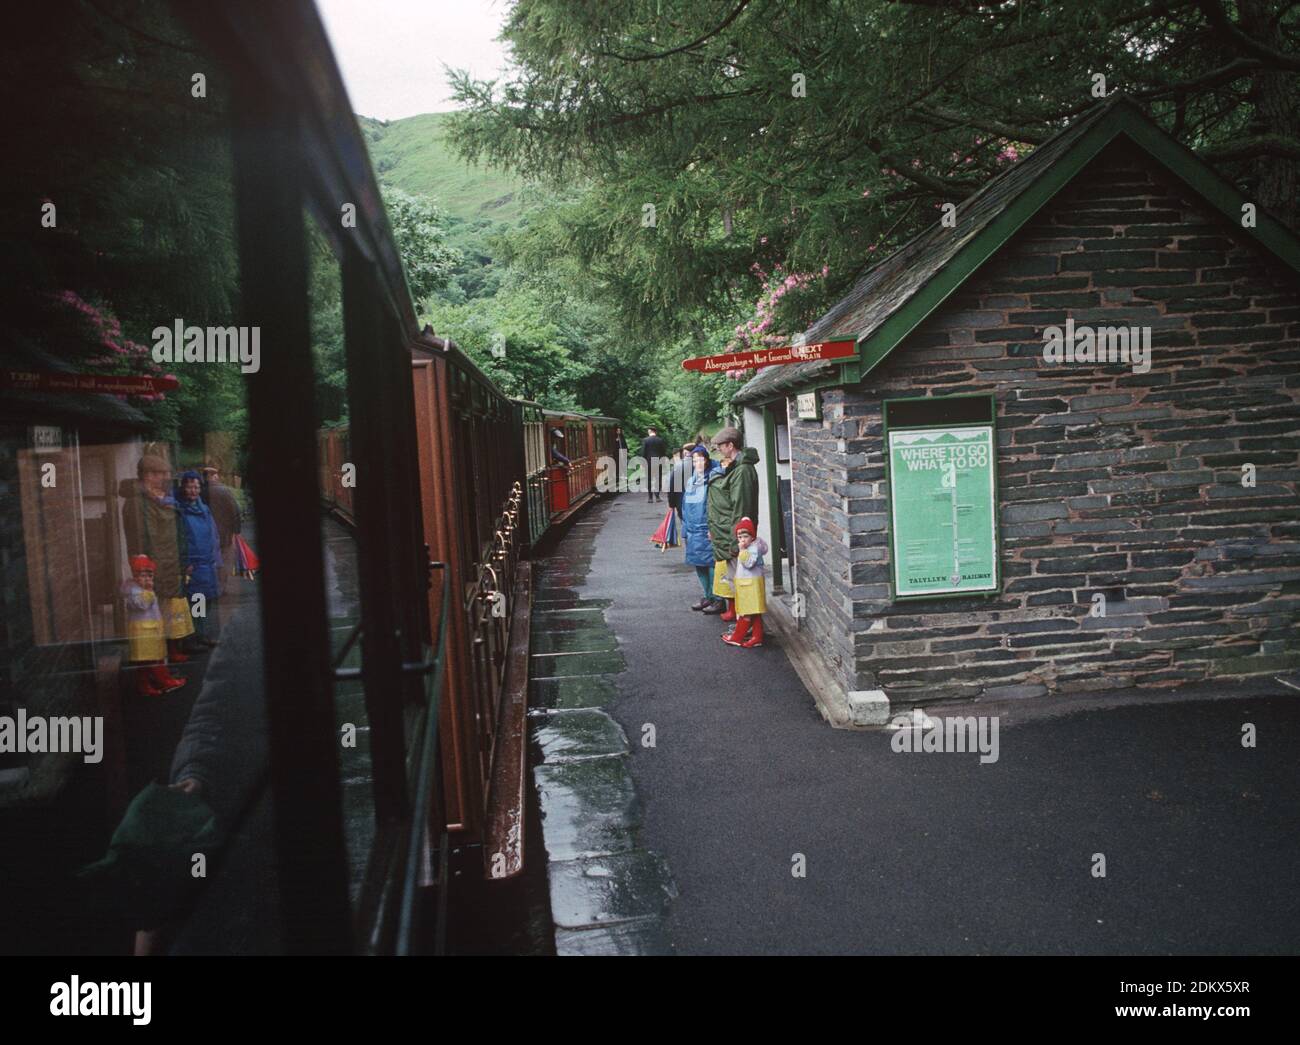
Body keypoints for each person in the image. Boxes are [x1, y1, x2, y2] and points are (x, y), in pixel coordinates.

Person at [121, 453, 196, 661]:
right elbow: (138, 541)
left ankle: (169, 654)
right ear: (147, 475)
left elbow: (177, 533)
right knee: (151, 616)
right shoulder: (137, 503)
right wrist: (143, 570)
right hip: (154, 567)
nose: (165, 478)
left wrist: (184, 560)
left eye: (166, 473)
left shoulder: (165, 499)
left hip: (171, 563)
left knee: (170, 611)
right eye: (161, 474)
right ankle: (156, 664)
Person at [704, 426, 760, 624]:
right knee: (735, 581)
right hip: (727, 534)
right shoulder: (736, 467)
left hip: (735, 538)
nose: (718, 449)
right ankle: (742, 625)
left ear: (730, 445)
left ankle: (748, 627)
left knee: (742, 584)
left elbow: (742, 509)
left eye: (721, 446)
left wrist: (737, 542)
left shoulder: (742, 470)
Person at [121, 555, 187, 696]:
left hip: (148, 628)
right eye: (143, 575)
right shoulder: (135, 591)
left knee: (145, 662)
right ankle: (165, 681)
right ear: (135, 575)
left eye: (150, 575)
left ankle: (145, 685)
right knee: (154, 659)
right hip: (144, 630)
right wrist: (149, 591)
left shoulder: (136, 588)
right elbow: (142, 605)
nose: (147, 579)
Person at [177, 470, 222, 649]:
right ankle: (193, 638)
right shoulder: (180, 510)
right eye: (189, 487)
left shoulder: (204, 508)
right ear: (183, 488)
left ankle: (202, 634)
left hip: (207, 563)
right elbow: (180, 538)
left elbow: (214, 535)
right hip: (193, 565)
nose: (193, 491)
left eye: (196, 487)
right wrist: (184, 562)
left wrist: (217, 559)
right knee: (196, 600)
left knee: (205, 600)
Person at [681, 445, 723, 611]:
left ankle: (717, 599)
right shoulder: (692, 480)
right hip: (692, 529)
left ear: (706, 460)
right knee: (698, 564)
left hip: (707, 528)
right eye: (694, 460)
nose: (697, 463)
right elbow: (685, 505)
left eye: (700, 459)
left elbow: (715, 505)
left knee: (712, 564)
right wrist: (685, 528)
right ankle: (707, 596)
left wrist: (713, 527)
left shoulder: (713, 478)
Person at [722, 518, 766, 647]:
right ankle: (757, 637)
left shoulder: (752, 549)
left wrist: (741, 551)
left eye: (745, 536)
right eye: (739, 536)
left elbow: (748, 563)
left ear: (752, 537)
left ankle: (737, 637)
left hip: (750, 584)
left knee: (746, 612)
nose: (742, 539)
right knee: (755, 612)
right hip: (749, 583)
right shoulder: (753, 546)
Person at [665, 442, 695, 520]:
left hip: (681, 503)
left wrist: (671, 504)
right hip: (700, 503)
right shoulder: (704, 464)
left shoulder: (678, 466)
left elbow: (672, 486)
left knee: (685, 525)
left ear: (685, 452)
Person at [641, 427, 667, 503]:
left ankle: (650, 498)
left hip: (648, 462)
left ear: (650, 432)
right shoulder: (660, 440)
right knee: (658, 479)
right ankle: (657, 496)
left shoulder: (645, 440)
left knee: (648, 479)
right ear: (655, 432)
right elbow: (663, 452)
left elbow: (643, 452)